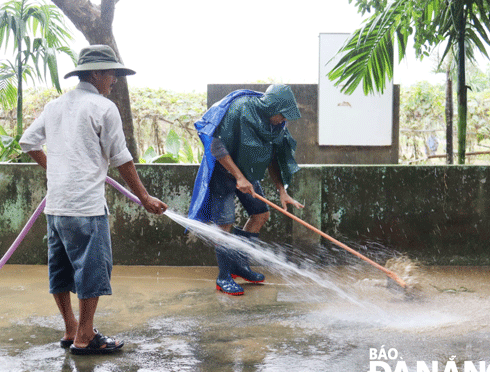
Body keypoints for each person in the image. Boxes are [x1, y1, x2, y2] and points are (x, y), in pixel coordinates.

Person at [20, 44, 168, 355]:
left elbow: (28, 141)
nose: (114, 78)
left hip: (57, 206)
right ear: (96, 73)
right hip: (86, 207)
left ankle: (70, 327)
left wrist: (55, 169)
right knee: (92, 270)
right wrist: (144, 197)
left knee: (60, 270)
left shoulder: (55, 106)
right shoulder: (103, 107)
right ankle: (85, 337)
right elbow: (121, 158)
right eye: (111, 72)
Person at [187, 85, 304, 296]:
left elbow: (274, 158)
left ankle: (239, 265)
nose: (283, 119)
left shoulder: (277, 126)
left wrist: (281, 191)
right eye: (282, 114)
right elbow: (216, 146)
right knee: (225, 222)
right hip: (223, 172)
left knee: (260, 214)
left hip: (248, 174)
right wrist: (238, 177)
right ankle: (224, 277)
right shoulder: (240, 110)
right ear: (272, 107)